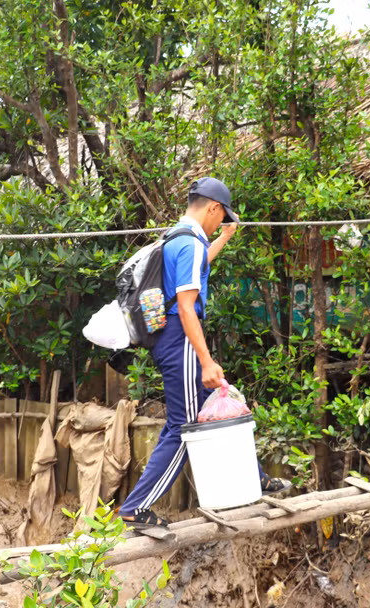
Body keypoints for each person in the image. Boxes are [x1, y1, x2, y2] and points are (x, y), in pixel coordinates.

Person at [120, 177, 291, 528]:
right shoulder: (190, 244)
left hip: (176, 340)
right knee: (184, 427)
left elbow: (195, 270)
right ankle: (136, 508)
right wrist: (206, 360)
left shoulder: (182, 236)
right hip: (181, 340)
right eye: (222, 217)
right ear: (213, 208)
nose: (221, 221)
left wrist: (222, 239)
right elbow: (185, 307)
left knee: (216, 403)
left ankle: (257, 478)